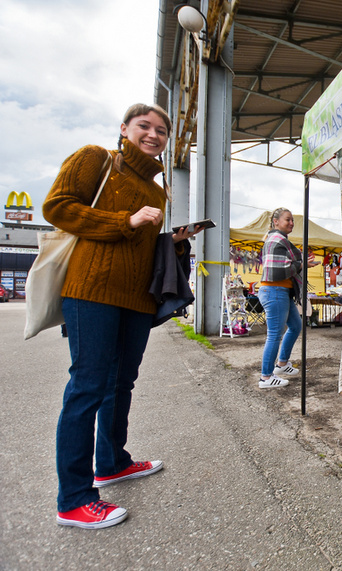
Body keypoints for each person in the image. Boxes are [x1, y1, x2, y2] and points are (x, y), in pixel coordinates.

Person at [43, 103, 199, 530]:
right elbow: (57, 207)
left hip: (136, 301)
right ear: (125, 129)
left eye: (161, 131)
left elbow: (145, 248)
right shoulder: (96, 158)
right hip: (92, 292)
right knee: (87, 386)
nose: (153, 135)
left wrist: (176, 243)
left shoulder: (156, 189)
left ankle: (112, 462)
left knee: (121, 383)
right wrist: (126, 220)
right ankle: (73, 499)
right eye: (144, 126)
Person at [257, 208, 319, 388]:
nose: (291, 223)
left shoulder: (278, 240)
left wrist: (302, 264)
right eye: (287, 220)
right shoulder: (277, 239)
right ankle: (266, 378)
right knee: (274, 335)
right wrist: (301, 264)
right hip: (274, 291)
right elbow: (279, 270)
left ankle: (282, 364)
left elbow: (287, 265)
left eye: (292, 220)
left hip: (280, 291)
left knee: (295, 325)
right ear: (275, 221)